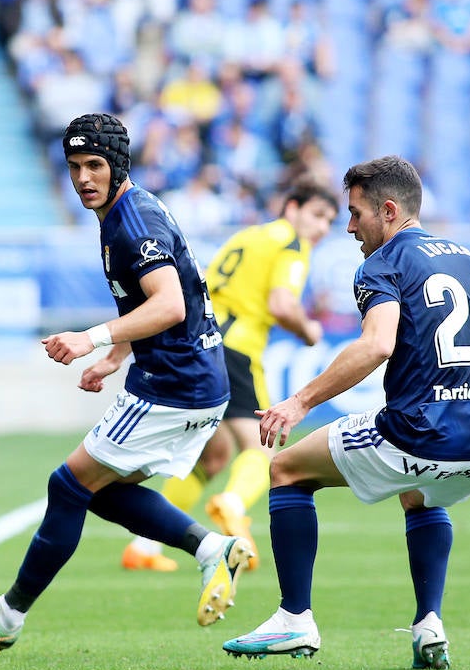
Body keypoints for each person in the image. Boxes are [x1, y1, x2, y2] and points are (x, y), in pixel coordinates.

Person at [0, 113, 252, 649]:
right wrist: (117, 354)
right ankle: (208, 549)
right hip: (191, 379)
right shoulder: (125, 211)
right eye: (75, 166)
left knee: (67, 486)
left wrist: (94, 338)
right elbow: (148, 299)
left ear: (118, 164)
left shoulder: (133, 222)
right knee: (95, 494)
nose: (84, 177)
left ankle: (7, 616)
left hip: (174, 383)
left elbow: (170, 305)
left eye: (95, 165)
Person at [223, 156, 470, 668]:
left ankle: (294, 619)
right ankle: (429, 626)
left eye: (356, 214)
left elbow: (377, 344)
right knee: (422, 496)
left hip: (419, 437)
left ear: (390, 210)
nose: (349, 227)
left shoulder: (383, 264)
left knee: (285, 470)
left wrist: (298, 401)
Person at [121, 181, 339, 573]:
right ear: (292, 208)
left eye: (329, 221)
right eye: (318, 215)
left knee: (214, 454)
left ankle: (143, 545)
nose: (322, 227)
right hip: (237, 350)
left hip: (201, 342)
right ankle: (233, 505)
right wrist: (309, 331)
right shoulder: (291, 243)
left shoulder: (248, 235)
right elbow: (282, 304)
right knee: (263, 447)